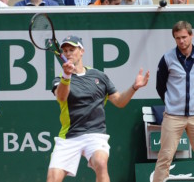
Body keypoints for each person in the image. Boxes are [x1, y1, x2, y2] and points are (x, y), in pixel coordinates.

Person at [46, 35, 150, 182]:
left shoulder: (99, 76)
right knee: (53, 178)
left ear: (81, 51)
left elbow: (120, 102)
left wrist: (134, 88)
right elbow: (62, 97)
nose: (68, 53)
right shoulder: (59, 79)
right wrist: (66, 76)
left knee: (101, 163)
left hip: (95, 134)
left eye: (72, 49)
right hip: (69, 136)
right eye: (65, 51)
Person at [153, 20, 194, 182]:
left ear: (191, 35)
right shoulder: (167, 58)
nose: (181, 41)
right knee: (164, 158)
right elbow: (160, 86)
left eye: (184, 37)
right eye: (177, 38)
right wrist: (172, 103)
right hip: (173, 117)